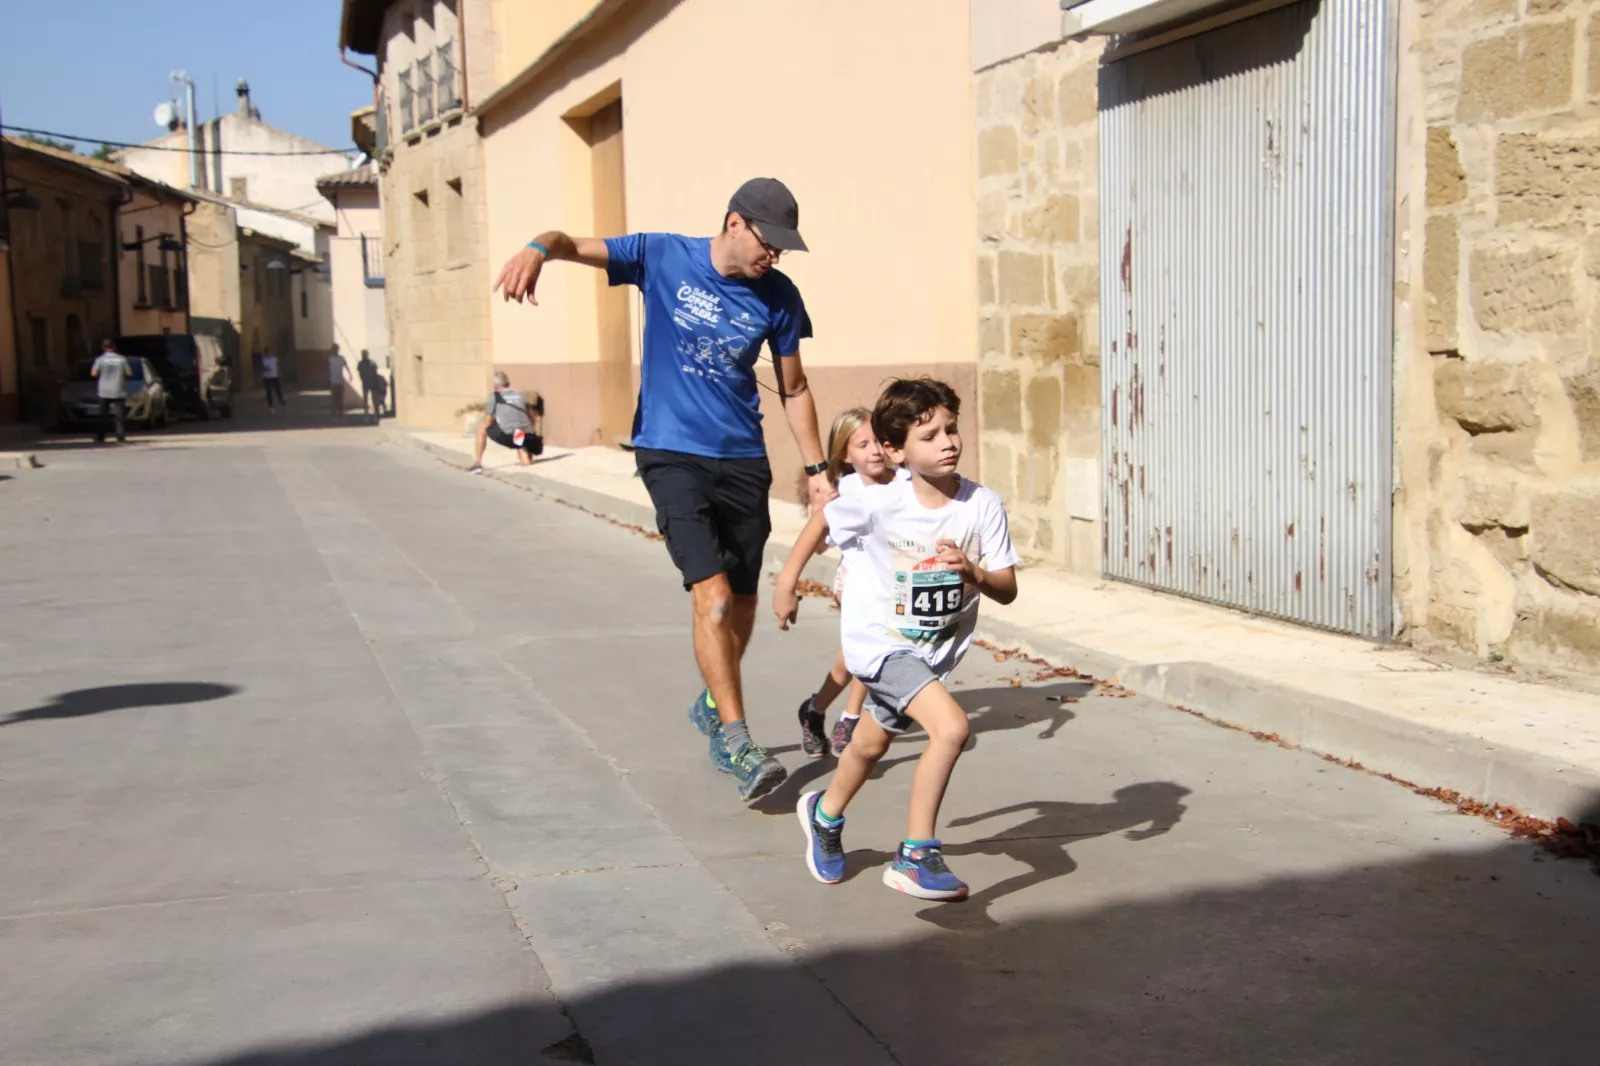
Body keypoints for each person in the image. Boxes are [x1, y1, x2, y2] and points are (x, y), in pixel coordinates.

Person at [493, 177, 834, 803]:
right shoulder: (661, 255)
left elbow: (795, 388)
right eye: (769, 242)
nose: (775, 255)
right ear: (735, 223)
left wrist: (818, 474)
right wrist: (536, 250)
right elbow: (569, 242)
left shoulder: (780, 296)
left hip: (743, 459)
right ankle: (737, 740)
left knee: (742, 600)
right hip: (670, 452)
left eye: (783, 247)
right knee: (713, 597)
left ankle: (713, 701)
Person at [797, 378, 1020, 901]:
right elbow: (822, 519)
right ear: (896, 451)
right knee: (952, 728)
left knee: (871, 743)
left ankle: (824, 813)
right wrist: (788, 581)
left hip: (931, 652)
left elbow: (1008, 589)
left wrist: (974, 573)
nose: (948, 442)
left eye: (951, 429)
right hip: (879, 643)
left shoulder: (982, 505)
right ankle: (916, 855)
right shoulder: (879, 501)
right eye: (929, 436)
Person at [773, 408, 901, 758]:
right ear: (846, 455)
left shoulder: (903, 481)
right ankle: (849, 718)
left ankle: (817, 709)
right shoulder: (846, 492)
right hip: (856, 582)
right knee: (866, 652)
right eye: (863, 444)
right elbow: (818, 543)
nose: (875, 451)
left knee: (859, 658)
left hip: (893, 584)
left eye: (878, 441)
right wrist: (819, 512)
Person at [469, 372, 544, 471]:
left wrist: (497, 422)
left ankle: (477, 463)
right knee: (519, 432)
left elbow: (488, 423)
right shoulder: (521, 395)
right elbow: (533, 418)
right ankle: (525, 459)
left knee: (481, 427)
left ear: (495, 387)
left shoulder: (494, 397)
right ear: (508, 384)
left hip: (508, 436)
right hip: (527, 435)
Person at [89, 338, 130, 444]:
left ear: (103, 348)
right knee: (119, 415)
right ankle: (120, 436)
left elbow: (93, 373)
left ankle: (101, 436)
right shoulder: (122, 359)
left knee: (103, 415)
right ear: (114, 347)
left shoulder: (99, 359)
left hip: (104, 390)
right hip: (118, 389)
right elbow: (129, 373)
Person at [327, 344, 351, 419]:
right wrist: (327, 379)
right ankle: (334, 415)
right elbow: (327, 370)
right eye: (334, 349)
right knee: (334, 399)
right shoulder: (330, 359)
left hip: (340, 381)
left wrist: (350, 374)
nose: (335, 350)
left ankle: (340, 414)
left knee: (340, 399)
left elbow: (346, 366)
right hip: (333, 381)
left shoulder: (341, 358)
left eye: (336, 349)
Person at [357, 350, 382, 421]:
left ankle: (375, 414)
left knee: (374, 399)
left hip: (372, 382)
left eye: (365, 354)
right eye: (363, 354)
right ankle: (366, 414)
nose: (364, 356)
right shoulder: (360, 364)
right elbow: (360, 373)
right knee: (365, 399)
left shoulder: (372, 363)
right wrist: (363, 379)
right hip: (365, 383)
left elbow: (375, 372)